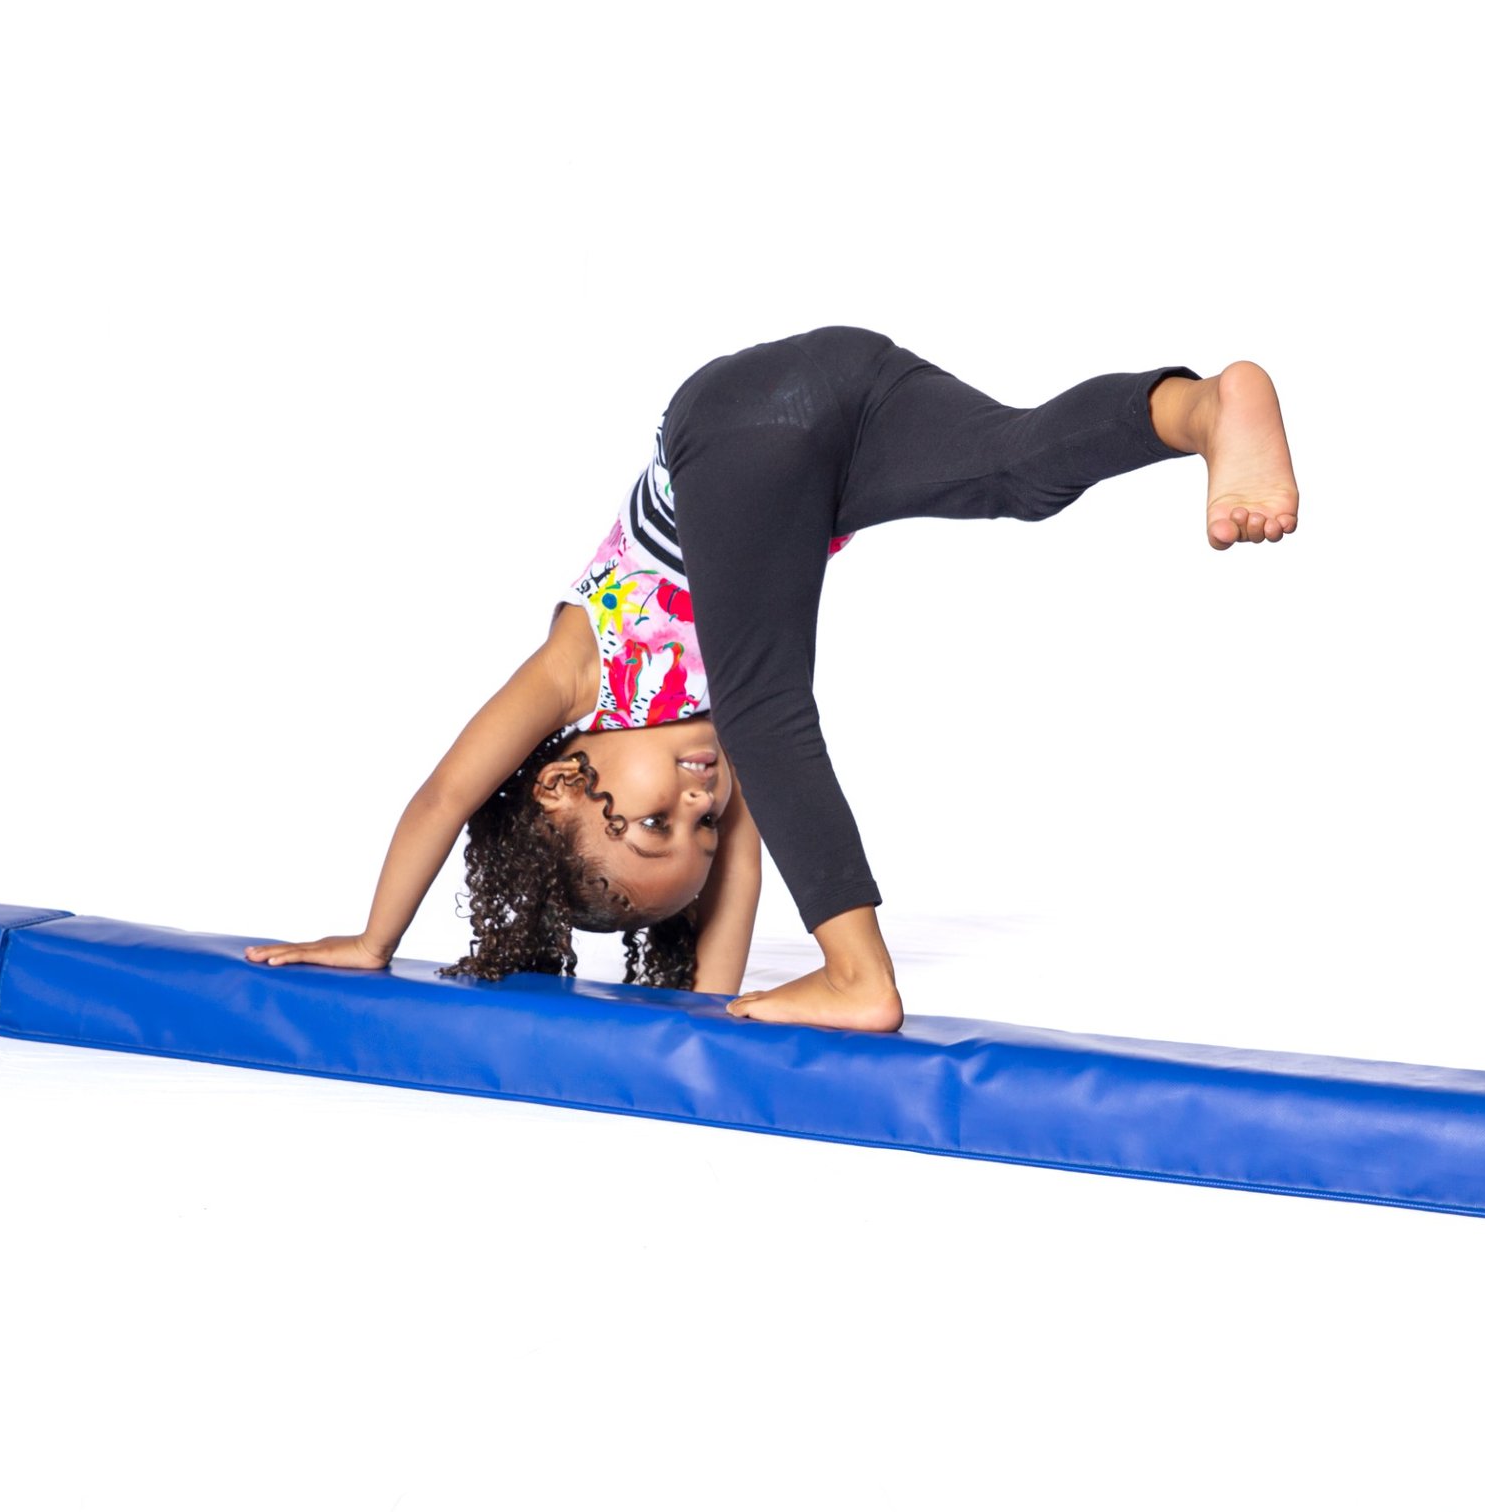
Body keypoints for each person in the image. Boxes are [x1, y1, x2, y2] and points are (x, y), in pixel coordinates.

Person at [243, 325, 1300, 1032]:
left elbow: (446, 792)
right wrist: (710, 1012)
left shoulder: (578, 672)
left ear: (564, 783)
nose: (702, 809)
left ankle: (859, 973)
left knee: (765, 712)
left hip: (736, 424)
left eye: (656, 823)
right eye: (695, 834)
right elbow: (748, 858)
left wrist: (374, 939)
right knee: (1015, 472)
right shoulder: (715, 747)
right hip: (836, 403)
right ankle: (1202, 408)